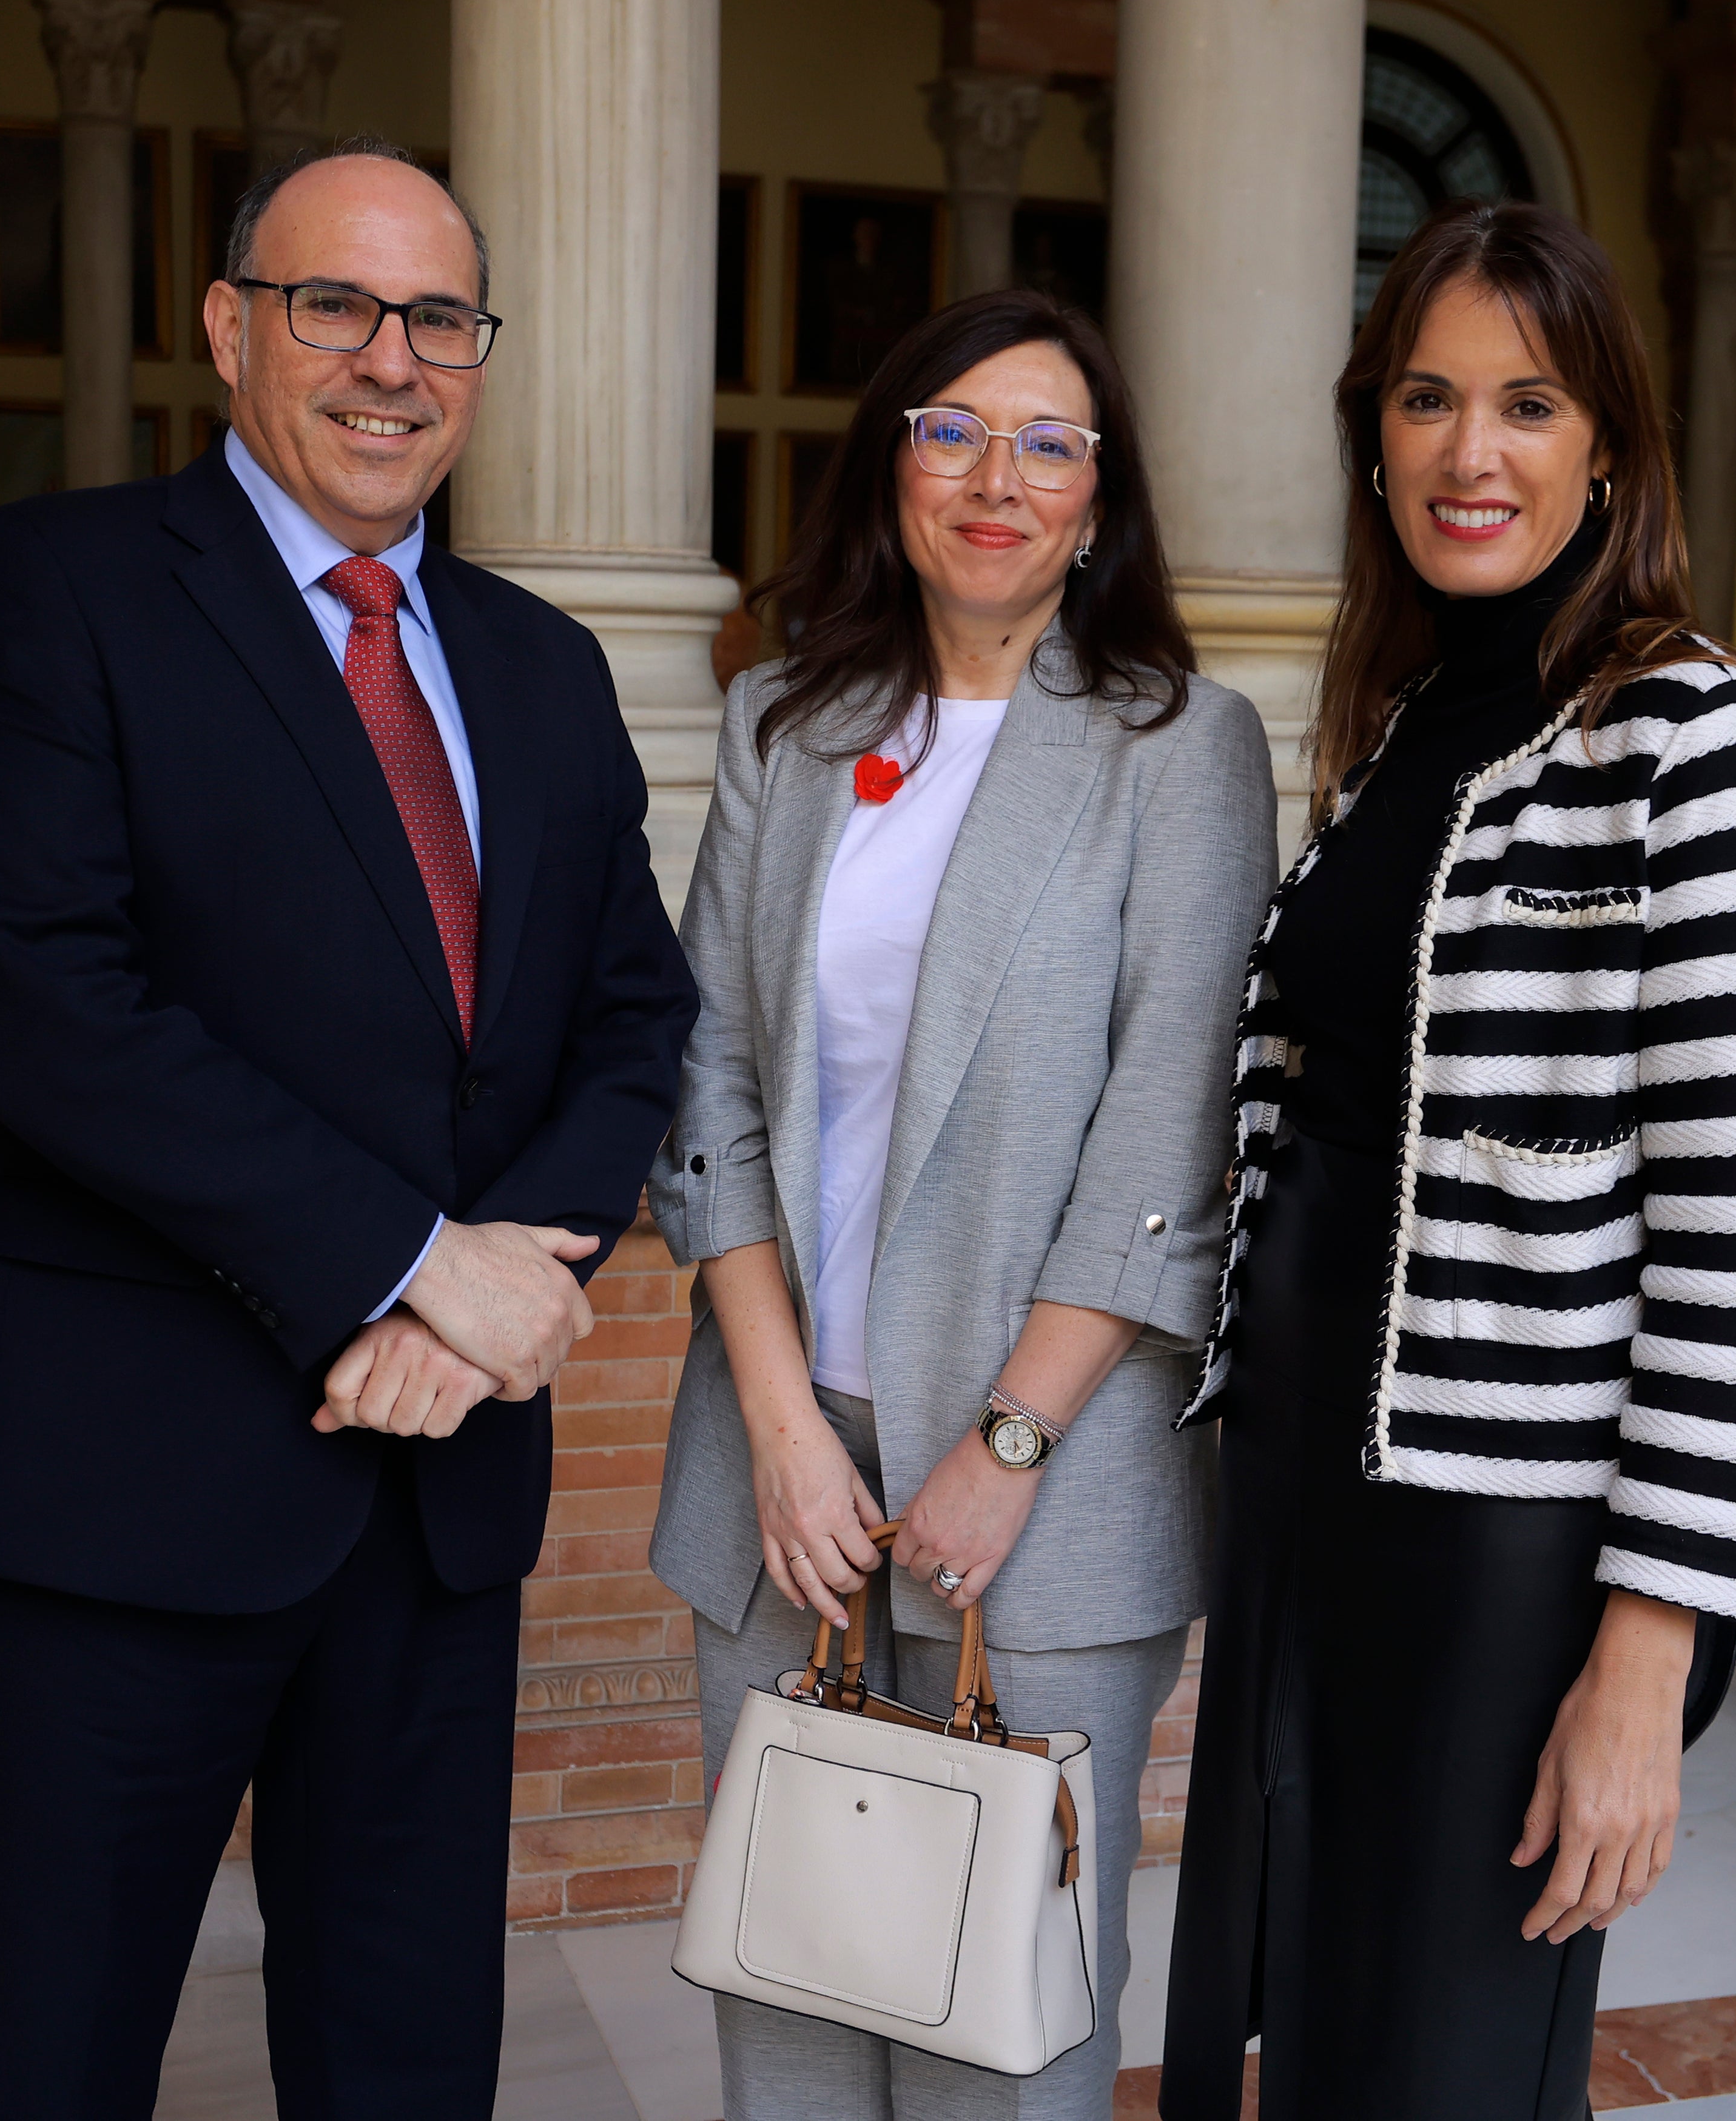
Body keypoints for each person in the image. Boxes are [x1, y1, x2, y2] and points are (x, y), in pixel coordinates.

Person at [0, 138, 698, 2119]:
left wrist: (490, 1294)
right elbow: (61, 1013)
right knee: (65, 2064)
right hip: (109, 1483)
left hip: (432, 1503)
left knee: (406, 2064)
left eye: (437, 318)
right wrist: (413, 1265)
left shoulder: (546, 667)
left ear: (478, 356)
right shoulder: (45, 590)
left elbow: (629, 1011)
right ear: (231, 327)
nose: (388, 360)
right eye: (336, 304)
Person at [1159, 201, 1736, 2121]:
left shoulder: (1690, 735)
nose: (1471, 452)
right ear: (1373, 435)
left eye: (1527, 403)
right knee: (1306, 2041)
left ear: (1608, 440)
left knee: (1438, 2065)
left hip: (1498, 1537)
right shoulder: (1391, 729)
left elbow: (1725, 1229)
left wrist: (1643, 1650)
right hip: (1299, 1498)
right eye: (1428, 400)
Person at [648, 289, 1280, 2120]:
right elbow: (710, 1090)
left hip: (1054, 1477)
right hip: (787, 1470)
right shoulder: (783, 722)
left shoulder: (1180, 747)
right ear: (892, 467)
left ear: (1100, 499)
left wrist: (1007, 1436)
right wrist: (779, 1426)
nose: (995, 476)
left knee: (1004, 2026)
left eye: (1048, 442)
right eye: (951, 430)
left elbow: (1175, 1128)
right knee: (790, 1983)